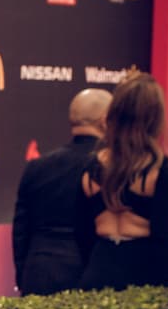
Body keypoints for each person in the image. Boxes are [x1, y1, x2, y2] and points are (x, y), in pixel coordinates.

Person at [76, 71, 168, 290]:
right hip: (142, 274)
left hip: (98, 270)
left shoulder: (91, 167)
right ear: (154, 118)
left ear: (114, 113)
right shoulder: (161, 169)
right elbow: (163, 239)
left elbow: (82, 234)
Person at [11, 88, 111, 295]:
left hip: (37, 273)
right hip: (89, 273)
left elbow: (21, 231)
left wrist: (24, 275)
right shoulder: (108, 167)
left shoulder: (36, 166)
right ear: (105, 121)